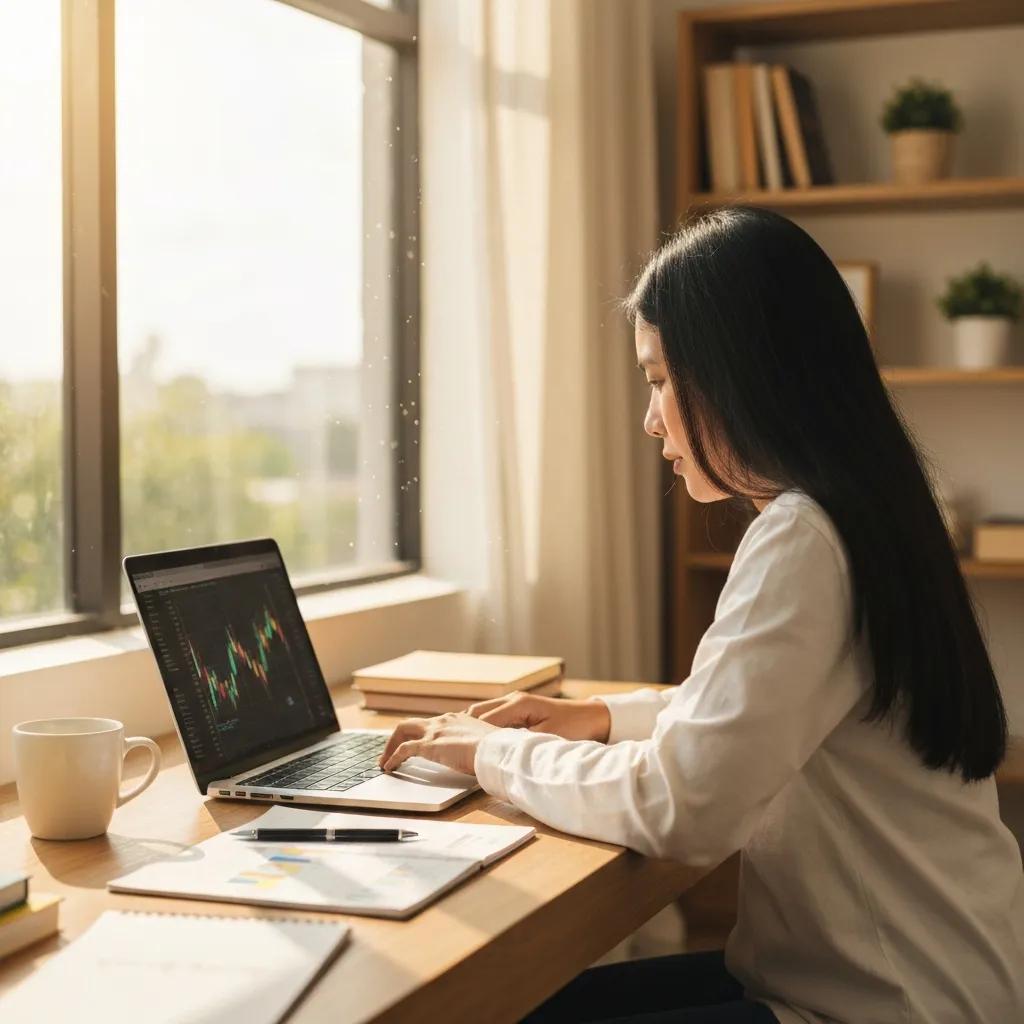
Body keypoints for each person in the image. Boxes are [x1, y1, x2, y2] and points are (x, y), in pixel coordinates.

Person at [378, 207, 1024, 1023]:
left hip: (880, 1007)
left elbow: (681, 807)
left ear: (735, 372)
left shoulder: (804, 537)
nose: (651, 419)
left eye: (657, 379)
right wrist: (602, 717)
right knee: (515, 1001)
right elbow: (773, 709)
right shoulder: (869, 510)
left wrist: (494, 755)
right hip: (938, 984)